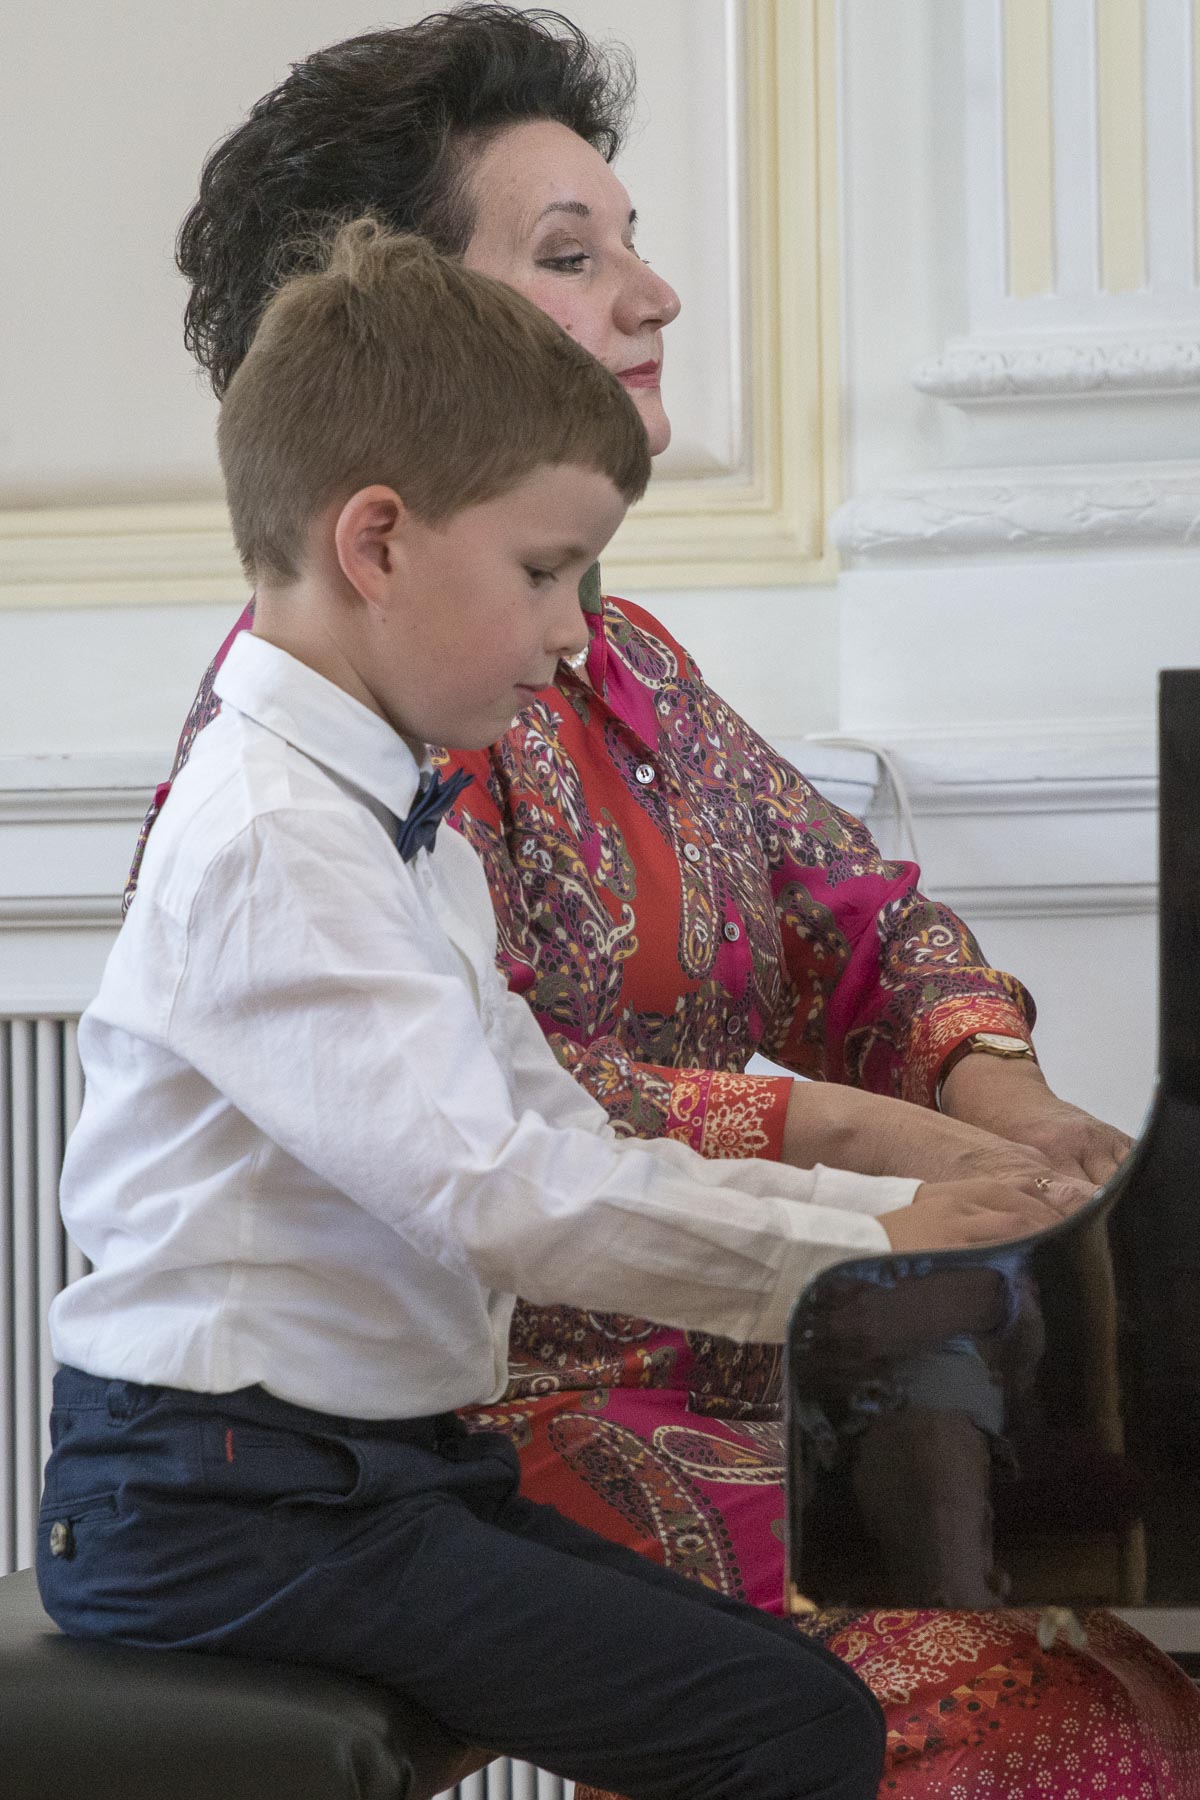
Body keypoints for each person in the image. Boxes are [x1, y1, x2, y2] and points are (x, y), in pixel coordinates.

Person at [123, 8, 1200, 1794]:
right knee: (1035, 1710)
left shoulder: (615, 659)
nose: (655, 292)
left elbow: (855, 914)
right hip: (519, 1395)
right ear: (398, 345)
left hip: (763, 1330)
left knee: (1134, 1633)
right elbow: (500, 1150)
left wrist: (1021, 1123)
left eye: (631, 239)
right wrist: (892, 1188)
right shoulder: (331, 758)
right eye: (572, 255)